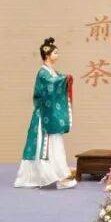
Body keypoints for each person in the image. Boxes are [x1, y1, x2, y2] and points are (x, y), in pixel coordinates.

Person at [15, 37, 76, 189]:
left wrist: (63, 78)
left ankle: (59, 175)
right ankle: (46, 176)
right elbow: (51, 84)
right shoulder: (43, 73)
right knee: (45, 144)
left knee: (55, 144)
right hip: (44, 115)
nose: (57, 55)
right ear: (47, 55)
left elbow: (56, 82)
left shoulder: (52, 72)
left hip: (51, 114)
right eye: (55, 53)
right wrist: (64, 78)